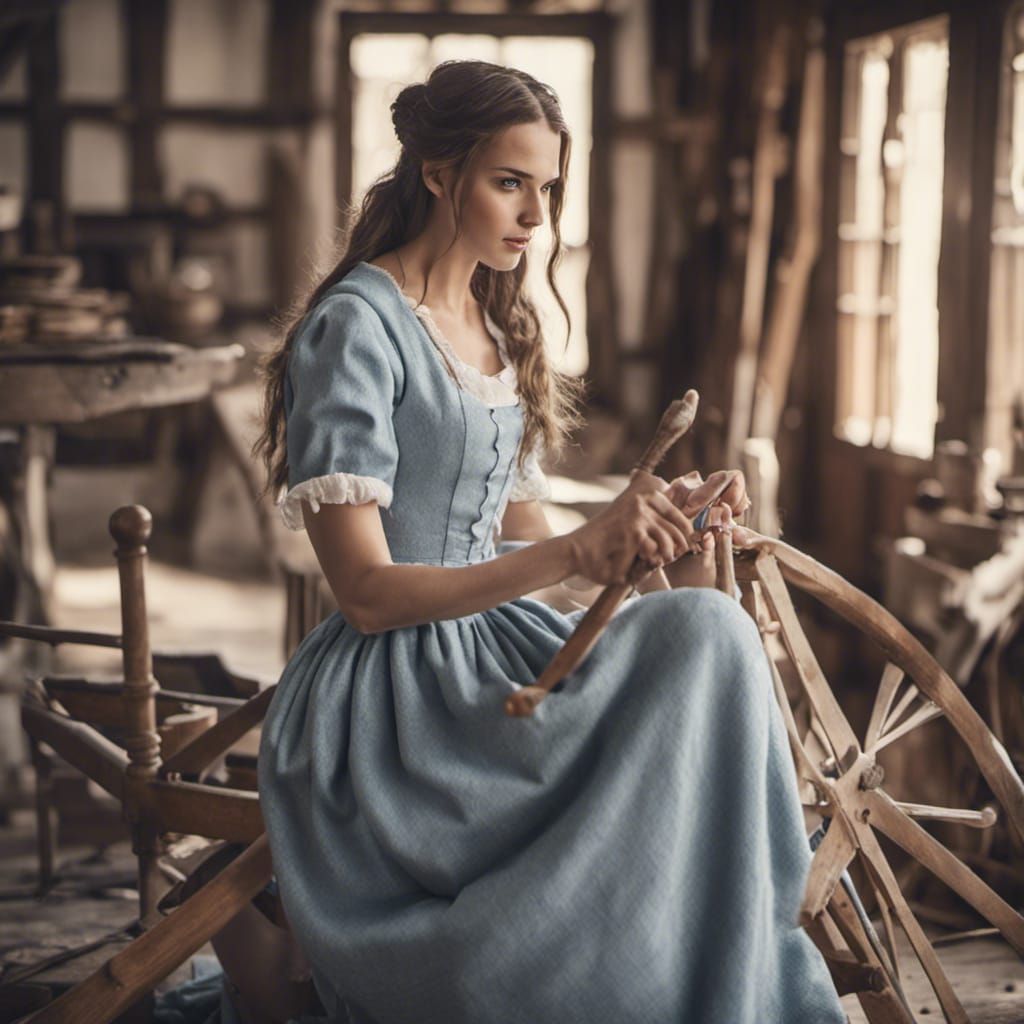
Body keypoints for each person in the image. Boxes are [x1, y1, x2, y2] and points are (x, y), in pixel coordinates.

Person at [254, 59, 846, 1024]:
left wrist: (650, 524)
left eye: (549, 189)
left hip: (497, 647)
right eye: (510, 182)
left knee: (704, 631)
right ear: (438, 174)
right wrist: (578, 554)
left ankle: (724, 952)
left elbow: (530, 538)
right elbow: (363, 592)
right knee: (706, 638)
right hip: (398, 693)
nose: (536, 215)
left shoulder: (494, 326)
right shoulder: (355, 329)